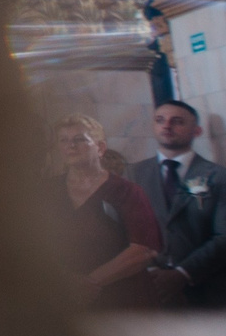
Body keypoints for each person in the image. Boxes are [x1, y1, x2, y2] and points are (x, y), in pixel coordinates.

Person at [127, 101, 226, 309]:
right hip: (152, 292)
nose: (167, 126)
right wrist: (149, 272)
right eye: (160, 120)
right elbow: (122, 229)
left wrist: (182, 273)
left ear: (197, 130)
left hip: (210, 294)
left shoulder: (222, 177)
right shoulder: (133, 174)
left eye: (177, 121)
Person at [51, 114, 160, 309]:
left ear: (100, 148)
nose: (71, 146)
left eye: (79, 139)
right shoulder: (46, 191)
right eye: (64, 140)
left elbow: (143, 249)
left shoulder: (126, 191)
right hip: (62, 298)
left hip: (121, 297)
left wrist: (91, 282)